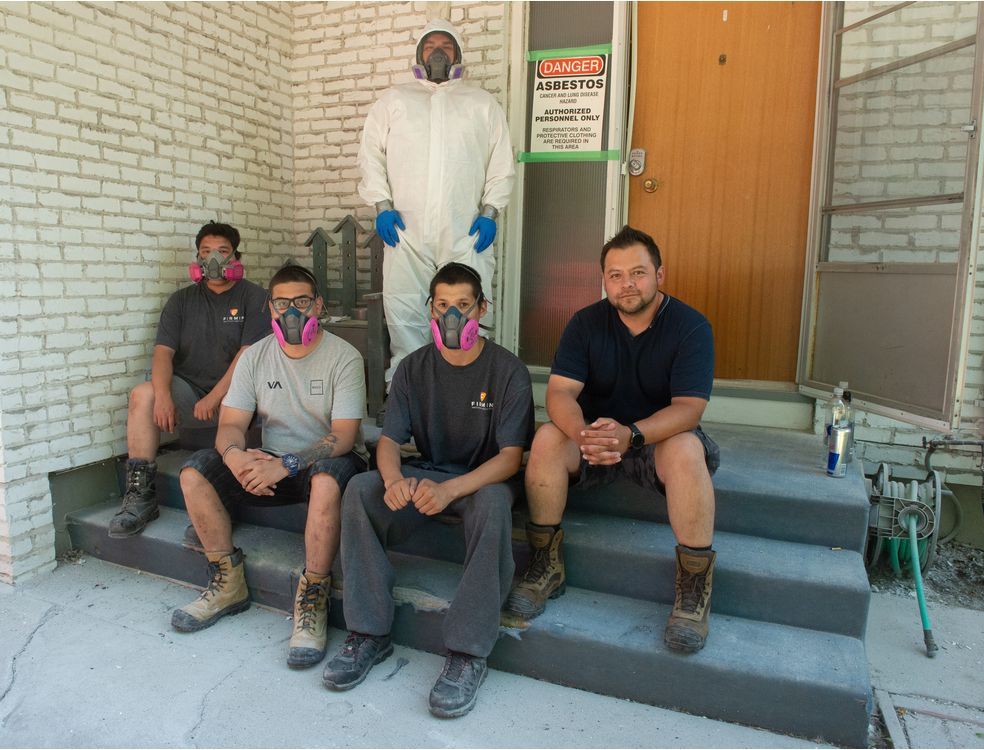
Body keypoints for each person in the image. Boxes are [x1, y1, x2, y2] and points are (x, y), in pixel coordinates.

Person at [324, 262, 534, 718]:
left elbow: (510, 458)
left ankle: (467, 652)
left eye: (463, 305)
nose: (451, 316)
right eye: (442, 306)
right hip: (427, 473)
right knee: (362, 489)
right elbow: (389, 443)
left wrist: (451, 491)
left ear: (483, 307)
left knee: (496, 503)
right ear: (430, 311)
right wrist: (396, 480)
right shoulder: (413, 368)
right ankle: (369, 633)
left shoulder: (508, 370)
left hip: (481, 479)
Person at [504, 225, 722, 654]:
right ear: (603, 279)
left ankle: (693, 590)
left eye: (638, 273)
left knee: (685, 445)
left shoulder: (690, 326)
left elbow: (689, 409)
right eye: (616, 275)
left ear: (660, 274)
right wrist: (585, 435)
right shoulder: (586, 322)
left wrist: (632, 435)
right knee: (548, 438)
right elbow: (560, 393)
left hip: (655, 440)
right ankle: (546, 565)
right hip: (597, 441)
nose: (627, 284)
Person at [170, 265, 367, 670]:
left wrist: (288, 465)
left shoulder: (344, 356)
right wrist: (236, 457)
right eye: (282, 303)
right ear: (270, 308)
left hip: (325, 463)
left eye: (301, 302)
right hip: (270, 460)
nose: (291, 312)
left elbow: (344, 436)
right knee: (194, 472)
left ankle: (313, 597)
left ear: (318, 305)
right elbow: (230, 425)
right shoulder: (255, 357)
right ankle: (227, 582)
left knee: (329, 479)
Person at [358, 19, 515, 382]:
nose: (438, 52)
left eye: (446, 45)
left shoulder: (481, 103)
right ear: (418, 55)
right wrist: (381, 205)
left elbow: (501, 163)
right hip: (405, 230)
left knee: (469, 307)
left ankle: (472, 386)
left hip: (464, 230)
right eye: (430, 46)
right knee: (404, 310)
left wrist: (490, 211)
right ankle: (410, 389)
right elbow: (371, 156)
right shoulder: (395, 100)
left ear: (458, 55)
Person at [109, 222, 270, 538]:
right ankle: (141, 496)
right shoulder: (181, 301)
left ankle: (222, 500)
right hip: (191, 391)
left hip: (243, 394)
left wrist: (215, 397)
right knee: (144, 395)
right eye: (205, 253)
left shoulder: (256, 297)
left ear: (237, 258)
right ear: (197, 260)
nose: (214, 260)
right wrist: (163, 395)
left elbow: (247, 355)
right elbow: (162, 354)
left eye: (222, 252)